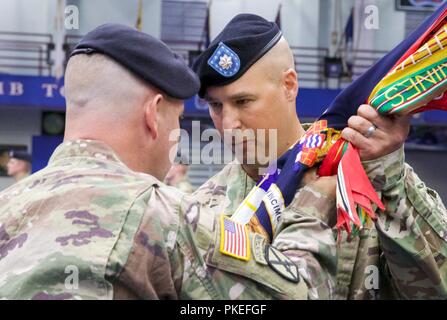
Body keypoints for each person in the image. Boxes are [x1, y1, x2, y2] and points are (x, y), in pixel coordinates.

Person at [0, 23, 323, 300]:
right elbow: (299, 291)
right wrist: (311, 204)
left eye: (243, 101)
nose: (227, 124)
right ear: (153, 114)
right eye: (179, 119)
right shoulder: (167, 216)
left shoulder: (6, 206)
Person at [191, 14, 447, 299]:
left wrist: (390, 178)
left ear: (289, 86)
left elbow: (437, 285)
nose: (228, 123)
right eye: (215, 106)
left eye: (243, 101)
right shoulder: (202, 209)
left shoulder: (364, 175)